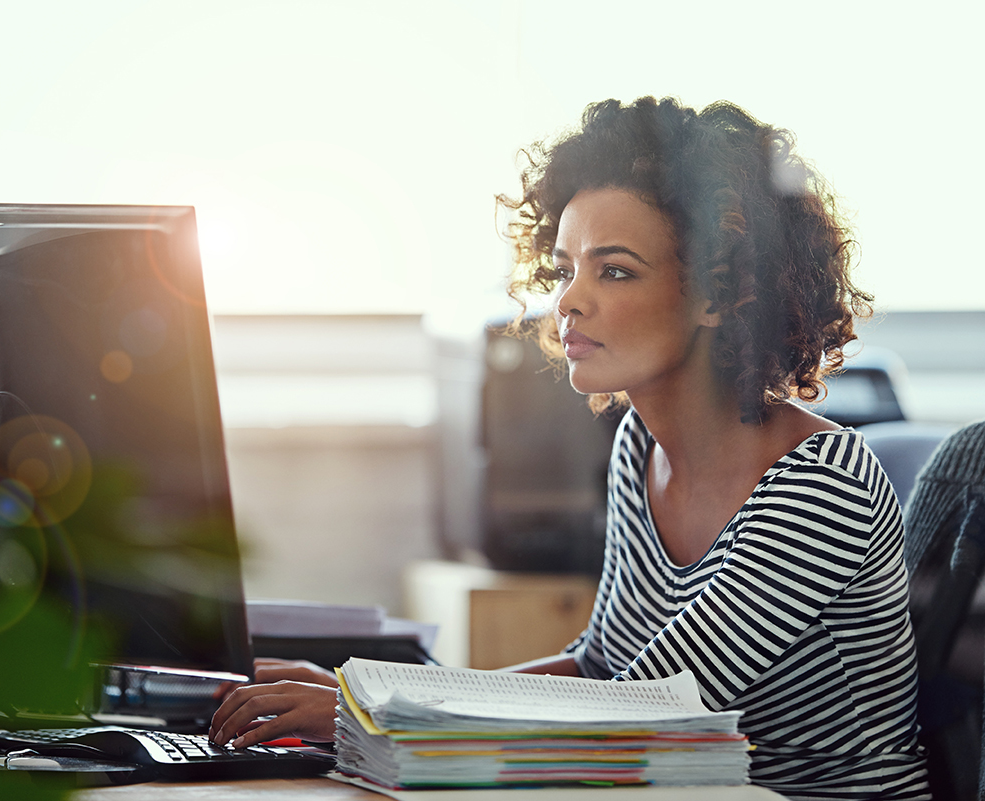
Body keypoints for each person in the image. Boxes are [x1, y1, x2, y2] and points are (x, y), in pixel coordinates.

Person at [209, 97, 930, 800]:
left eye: (613, 270)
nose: (567, 302)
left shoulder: (823, 482)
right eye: (563, 269)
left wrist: (373, 708)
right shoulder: (639, 447)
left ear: (720, 294)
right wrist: (371, 696)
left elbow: (644, 710)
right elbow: (598, 668)